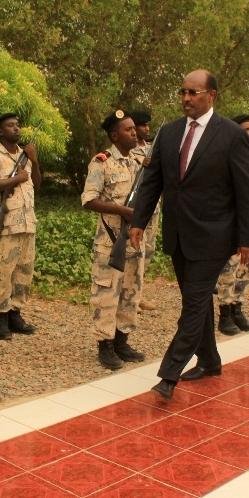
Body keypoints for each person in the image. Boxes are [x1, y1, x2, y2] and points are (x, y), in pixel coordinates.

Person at [129, 69, 249, 401]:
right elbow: (153, 181)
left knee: (195, 303)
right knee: (195, 302)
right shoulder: (169, 133)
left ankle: (169, 373)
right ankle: (210, 360)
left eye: (194, 92)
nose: (187, 98)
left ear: (211, 95)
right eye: (183, 92)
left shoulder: (231, 135)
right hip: (178, 234)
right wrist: (138, 222)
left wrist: (247, 238)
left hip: (215, 234)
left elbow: (247, 191)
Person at [82, 110, 146, 370]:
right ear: (114, 135)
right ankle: (105, 345)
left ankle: (122, 340)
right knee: (106, 293)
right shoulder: (102, 162)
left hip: (134, 241)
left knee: (131, 292)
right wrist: (123, 211)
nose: (134, 132)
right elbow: (88, 200)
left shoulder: (137, 162)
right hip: (111, 242)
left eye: (134, 129)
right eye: (129, 130)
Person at [0, 113, 40, 340]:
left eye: (17, 125)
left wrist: (34, 161)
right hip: (5, 226)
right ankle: (1, 319)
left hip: (26, 224)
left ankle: (16, 314)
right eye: (10, 126)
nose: (16, 129)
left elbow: (37, 183)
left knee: (24, 272)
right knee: (2, 273)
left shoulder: (25, 156)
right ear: (0, 131)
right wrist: (17, 178)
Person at [214, 114, 249, 335]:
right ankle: (225, 314)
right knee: (228, 270)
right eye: (245, 129)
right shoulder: (225, 156)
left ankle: (238, 308)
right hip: (230, 223)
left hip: (248, 222)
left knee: (244, 268)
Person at [130, 110, 160, 311]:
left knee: (148, 250)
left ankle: (138, 293)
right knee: (135, 252)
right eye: (143, 125)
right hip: (136, 208)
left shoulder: (152, 148)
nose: (146, 129)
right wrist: (141, 164)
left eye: (148, 125)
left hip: (154, 207)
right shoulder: (129, 149)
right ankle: (130, 297)